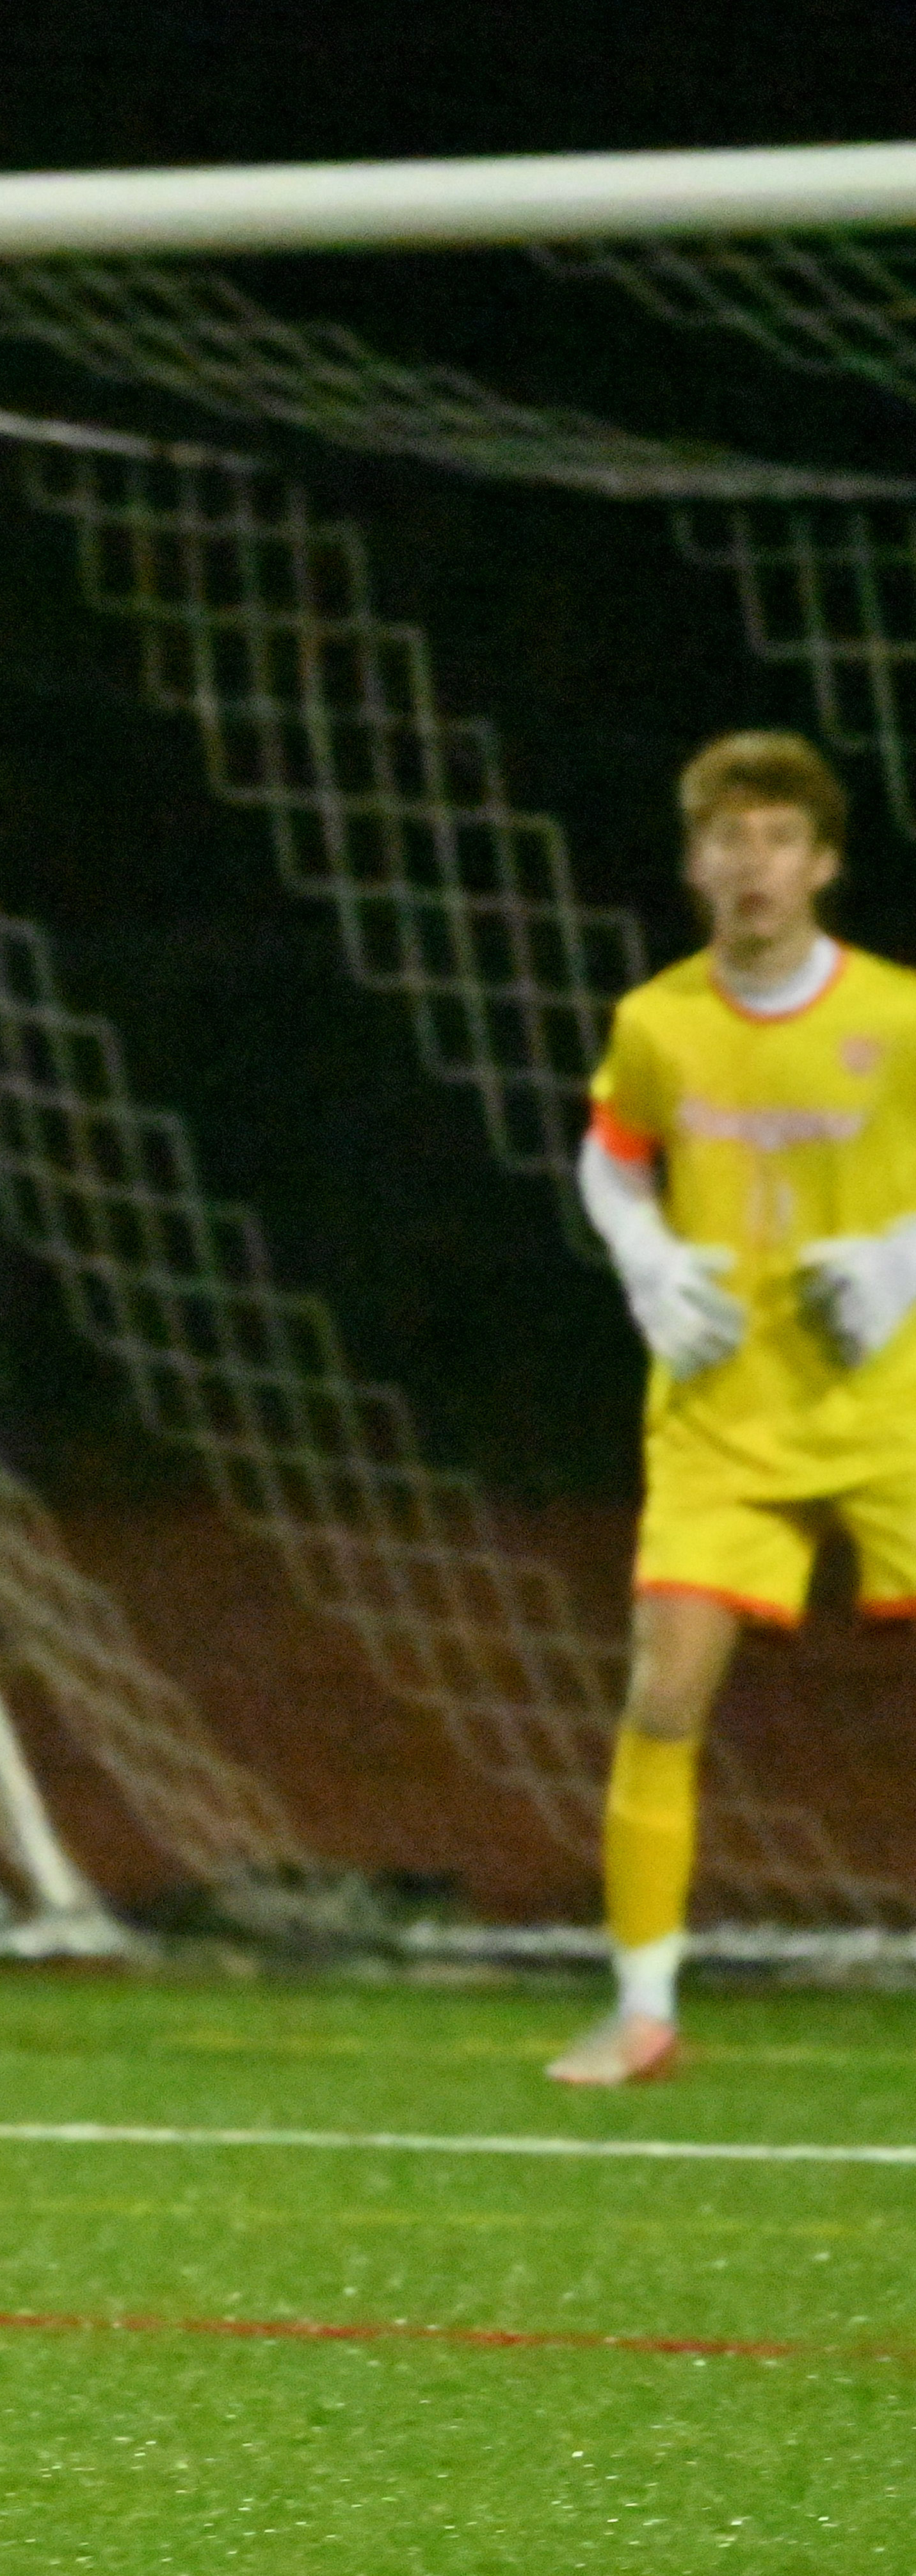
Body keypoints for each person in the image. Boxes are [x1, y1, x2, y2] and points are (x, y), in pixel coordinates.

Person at [557, 730, 916, 2086]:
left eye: (778, 839)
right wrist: (647, 1259)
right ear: (696, 862)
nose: (752, 864)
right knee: (665, 1690)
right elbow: (613, 1161)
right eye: (728, 838)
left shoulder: (899, 1014)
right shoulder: (660, 1022)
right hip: (723, 1416)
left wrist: (900, 1260)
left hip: (896, 1411)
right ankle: (644, 2006)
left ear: (822, 863)